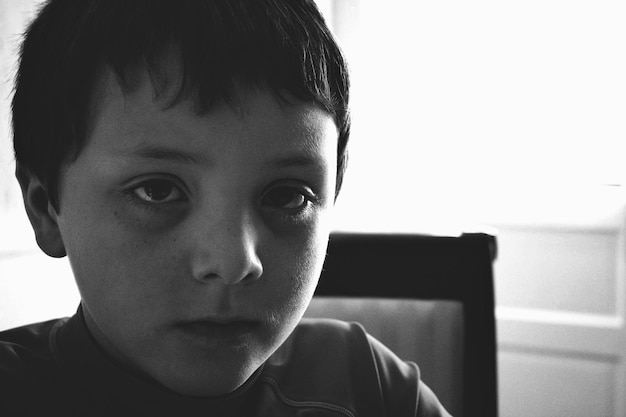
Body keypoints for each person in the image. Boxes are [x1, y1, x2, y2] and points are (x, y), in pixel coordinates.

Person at [0, 0, 451, 415]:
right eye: (157, 191)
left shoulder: (372, 388)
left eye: (286, 196)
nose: (233, 262)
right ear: (45, 207)